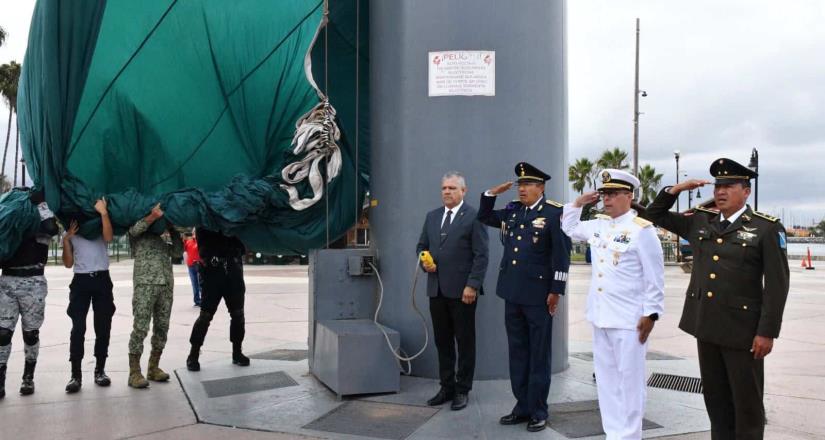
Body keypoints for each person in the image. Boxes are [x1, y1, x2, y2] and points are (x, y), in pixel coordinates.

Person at [643, 158, 790, 439]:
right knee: (717, 404)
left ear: (746, 191)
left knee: (746, 407)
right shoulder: (701, 220)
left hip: (743, 333)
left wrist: (767, 332)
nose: (720, 191)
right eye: (718, 186)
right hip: (707, 327)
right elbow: (653, 215)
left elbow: (777, 285)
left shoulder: (766, 229)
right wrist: (676, 189)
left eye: (729, 186)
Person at [561, 169, 665, 440]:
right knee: (607, 384)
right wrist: (578, 204)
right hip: (601, 316)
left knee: (630, 383)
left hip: (630, 319)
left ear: (629, 196)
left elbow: (655, 277)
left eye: (614, 194)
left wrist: (651, 314)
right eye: (604, 193)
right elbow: (568, 227)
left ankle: (630, 436)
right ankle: (613, 434)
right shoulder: (598, 224)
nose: (607, 199)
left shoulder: (642, 230)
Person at [477, 162, 571, 433]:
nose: (521, 189)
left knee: (538, 354)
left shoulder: (554, 213)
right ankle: (522, 407)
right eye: (519, 185)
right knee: (518, 353)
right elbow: (484, 216)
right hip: (512, 293)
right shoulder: (513, 212)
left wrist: (556, 291)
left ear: (540, 187)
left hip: (539, 297)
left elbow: (561, 257)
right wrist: (492, 192)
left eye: (527, 184)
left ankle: (539, 410)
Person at [416, 171, 489, 411]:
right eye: (444, 188)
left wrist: (473, 285)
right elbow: (421, 246)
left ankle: (462, 389)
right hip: (436, 290)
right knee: (443, 342)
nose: (446, 192)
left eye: (452, 188)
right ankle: (446, 387)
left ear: (463, 191)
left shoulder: (474, 217)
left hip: (463, 292)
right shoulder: (432, 217)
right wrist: (424, 260)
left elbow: (481, 255)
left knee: (465, 342)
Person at [0, 189, 58, 398]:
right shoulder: (9, 221)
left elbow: (52, 227)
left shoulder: (40, 222)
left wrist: (41, 203)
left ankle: (28, 377)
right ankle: (0, 380)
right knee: (3, 334)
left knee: (30, 334)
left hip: (33, 282)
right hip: (7, 281)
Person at [61, 197, 115, 393]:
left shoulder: (99, 224)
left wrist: (103, 213)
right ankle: (76, 375)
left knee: (103, 326)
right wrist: (67, 240)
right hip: (81, 281)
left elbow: (108, 238)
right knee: (78, 328)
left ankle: (100, 370)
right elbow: (68, 264)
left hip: (101, 279)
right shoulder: (72, 229)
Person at [126, 204, 182, 388]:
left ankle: (153, 367)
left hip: (165, 286)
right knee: (141, 327)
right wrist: (152, 216)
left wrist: (172, 228)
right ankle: (134, 372)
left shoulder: (162, 241)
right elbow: (134, 231)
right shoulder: (137, 235)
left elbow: (178, 251)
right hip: (145, 285)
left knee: (162, 328)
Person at [186, 228, 249, 371]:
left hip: (233, 271)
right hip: (212, 273)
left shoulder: (234, 219)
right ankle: (193, 354)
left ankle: (237, 352)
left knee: (238, 314)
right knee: (205, 315)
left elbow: (243, 242)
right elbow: (203, 246)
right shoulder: (206, 221)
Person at [183, 229, 202, 307]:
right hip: (191, 265)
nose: (194, 234)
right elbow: (185, 250)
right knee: (194, 284)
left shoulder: (202, 242)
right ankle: (197, 301)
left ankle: (204, 300)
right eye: (194, 232)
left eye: (196, 232)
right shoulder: (188, 242)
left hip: (199, 264)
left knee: (201, 283)